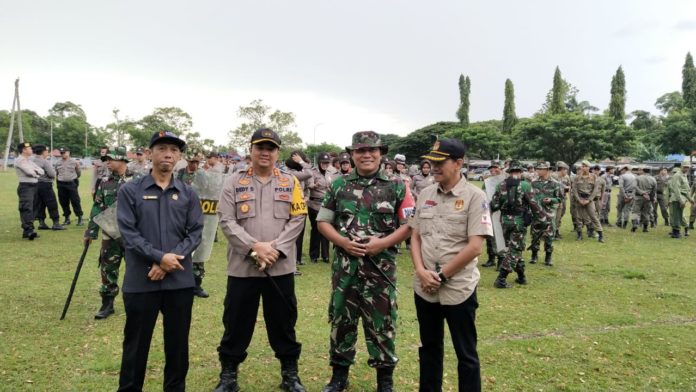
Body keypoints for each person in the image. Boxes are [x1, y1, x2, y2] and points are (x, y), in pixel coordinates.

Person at [317, 131, 412, 392]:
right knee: (341, 320)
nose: (366, 155)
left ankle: (385, 381)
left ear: (381, 153)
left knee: (382, 324)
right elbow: (323, 221)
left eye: (372, 150)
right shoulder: (338, 185)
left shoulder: (398, 186)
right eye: (360, 151)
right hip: (345, 270)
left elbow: (409, 224)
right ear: (352, 154)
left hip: (381, 272)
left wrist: (381, 244)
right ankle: (339, 376)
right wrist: (343, 242)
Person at [215, 128, 308, 392]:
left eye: (271, 148)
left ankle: (290, 374)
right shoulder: (234, 181)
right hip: (242, 268)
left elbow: (298, 218)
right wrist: (255, 247)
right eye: (260, 147)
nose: (265, 152)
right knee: (235, 323)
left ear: (278, 152)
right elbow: (226, 220)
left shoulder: (292, 182)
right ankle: (229, 375)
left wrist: (275, 249)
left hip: (280, 268)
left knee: (284, 322)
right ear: (251, 149)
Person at [116, 131, 203, 391]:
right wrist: (158, 257)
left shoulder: (188, 193)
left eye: (174, 150)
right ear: (150, 152)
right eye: (162, 148)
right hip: (142, 280)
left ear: (179, 157)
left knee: (177, 346)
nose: (168, 154)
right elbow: (128, 233)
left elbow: (195, 232)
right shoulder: (130, 190)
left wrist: (169, 259)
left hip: (178, 280)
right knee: (136, 345)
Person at [409, 138, 492, 392]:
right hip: (425, 287)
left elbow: (475, 246)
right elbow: (415, 235)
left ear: (458, 163)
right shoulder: (424, 194)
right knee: (429, 349)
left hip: (458, 288)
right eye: (430, 161)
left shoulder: (475, 197)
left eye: (439, 162)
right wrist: (421, 271)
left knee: (465, 353)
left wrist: (441, 276)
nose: (432, 166)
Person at [84, 147, 133, 319]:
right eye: (107, 160)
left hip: (133, 235)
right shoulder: (105, 182)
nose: (108, 162)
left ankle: (135, 302)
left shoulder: (139, 180)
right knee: (107, 267)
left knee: (135, 268)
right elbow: (97, 206)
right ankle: (107, 303)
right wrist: (91, 231)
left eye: (111, 159)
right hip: (110, 234)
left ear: (122, 160)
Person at [490, 160, 545, 288]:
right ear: (520, 172)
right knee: (515, 250)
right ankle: (501, 279)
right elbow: (534, 204)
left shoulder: (501, 185)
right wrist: (543, 219)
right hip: (518, 222)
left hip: (504, 221)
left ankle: (521, 276)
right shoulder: (525, 185)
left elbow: (494, 205)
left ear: (509, 172)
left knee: (514, 248)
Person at [529, 162, 562, 266]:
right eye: (537, 169)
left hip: (548, 214)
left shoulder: (555, 183)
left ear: (547, 170)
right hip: (536, 213)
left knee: (549, 236)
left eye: (540, 169)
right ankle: (534, 255)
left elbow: (560, 198)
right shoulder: (533, 183)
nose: (537, 171)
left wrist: (551, 200)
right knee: (535, 234)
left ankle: (548, 257)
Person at [307, 152, 335, 263]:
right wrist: (315, 185)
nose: (325, 165)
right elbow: (309, 185)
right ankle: (314, 256)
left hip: (326, 204)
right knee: (315, 230)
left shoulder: (331, 172)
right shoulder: (313, 172)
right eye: (323, 163)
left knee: (326, 230)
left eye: (327, 163)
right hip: (314, 204)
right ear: (319, 162)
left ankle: (325, 255)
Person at [32, 144, 65, 230]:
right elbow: (52, 174)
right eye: (47, 150)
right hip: (45, 185)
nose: (48, 152)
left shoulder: (31, 160)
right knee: (51, 203)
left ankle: (41, 223)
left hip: (35, 184)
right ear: (43, 152)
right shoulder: (44, 161)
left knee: (40, 204)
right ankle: (56, 223)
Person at [15, 142, 44, 240]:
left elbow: (41, 170)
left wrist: (36, 172)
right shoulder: (20, 160)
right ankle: (28, 230)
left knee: (33, 208)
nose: (32, 150)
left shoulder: (29, 161)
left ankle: (28, 231)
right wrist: (36, 173)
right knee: (26, 208)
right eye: (30, 148)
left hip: (34, 186)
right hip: (26, 186)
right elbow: (29, 172)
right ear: (24, 150)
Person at [572, 161, 604, 242]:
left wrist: (589, 200)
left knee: (594, 217)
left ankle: (600, 235)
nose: (584, 168)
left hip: (589, 200)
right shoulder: (577, 177)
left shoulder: (593, 177)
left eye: (585, 166)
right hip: (579, 199)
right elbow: (574, 189)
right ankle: (579, 235)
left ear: (589, 167)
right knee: (578, 217)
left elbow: (595, 190)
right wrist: (579, 199)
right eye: (582, 166)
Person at [481, 160, 503, 268]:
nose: (493, 170)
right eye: (491, 169)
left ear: (500, 168)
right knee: (489, 235)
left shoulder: (504, 181)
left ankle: (501, 259)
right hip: (489, 211)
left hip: (501, 212)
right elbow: (483, 196)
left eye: (496, 168)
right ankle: (491, 258)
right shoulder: (487, 183)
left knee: (500, 236)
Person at [55, 147, 84, 225]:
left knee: (75, 201)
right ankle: (67, 218)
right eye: (61, 153)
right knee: (63, 202)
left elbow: (78, 173)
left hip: (71, 183)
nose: (62, 154)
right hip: (61, 184)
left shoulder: (74, 162)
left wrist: (73, 180)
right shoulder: (58, 163)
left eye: (64, 152)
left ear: (68, 152)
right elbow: (57, 173)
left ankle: (80, 218)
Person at [667, 163, 693, 238]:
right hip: (677, 199)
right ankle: (676, 233)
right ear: (681, 167)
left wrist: (690, 199)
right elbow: (676, 189)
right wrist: (681, 200)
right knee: (676, 216)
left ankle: (676, 232)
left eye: (688, 167)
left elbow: (686, 189)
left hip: (681, 199)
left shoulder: (684, 175)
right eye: (685, 167)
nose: (686, 169)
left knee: (679, 215)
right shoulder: (677, 175)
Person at [631, 165, 656, 232]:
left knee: (635, 211)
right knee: (646, 213)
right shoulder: (653, 179)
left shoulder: (638, 178)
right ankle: (645, 228)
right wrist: (652, 198)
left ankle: (635, 224)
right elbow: (654, 190)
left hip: (638, 197)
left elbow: (634, 186)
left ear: (643, 171)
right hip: (648, 198)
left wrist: (642, 193)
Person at [551, 161, 571, 239]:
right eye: (566, 170)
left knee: (559, 216)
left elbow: (568, 186)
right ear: (562, 169)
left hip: (562, 199)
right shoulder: (553, 176)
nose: (567, 172)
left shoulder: (565, 177)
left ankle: (556, 231)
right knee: (554, 217)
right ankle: (551, 233)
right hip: (555, 200)